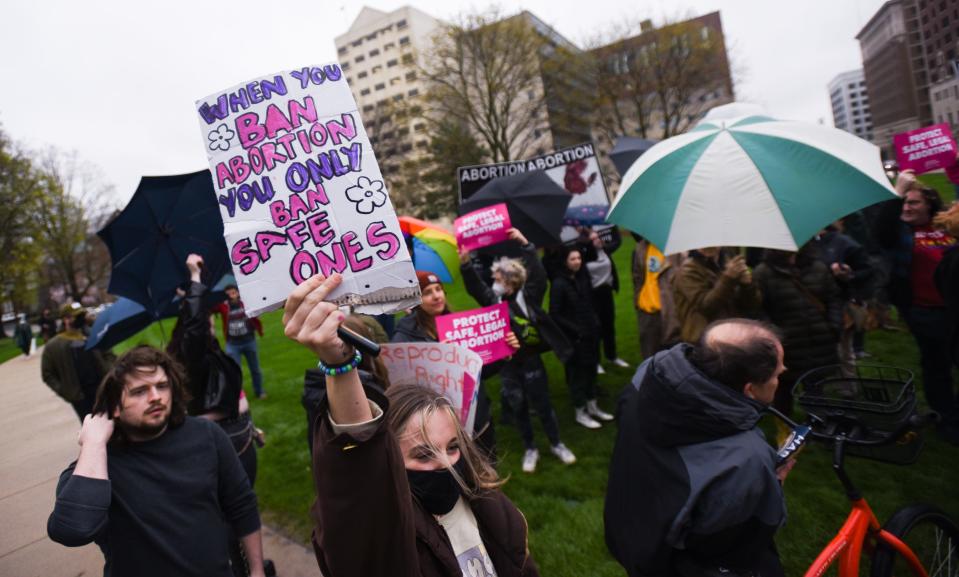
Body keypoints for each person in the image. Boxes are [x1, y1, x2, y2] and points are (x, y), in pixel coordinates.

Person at [285, 272, 540, 577]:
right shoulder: (389, 538)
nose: (446, 463)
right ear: (390, 460)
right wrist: (339, 366)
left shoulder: (491, 506)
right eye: (422, 454)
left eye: (454, 446)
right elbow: (359, 472)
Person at [47, 345, 265, 577]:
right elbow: (72, 530)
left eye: (162, 386)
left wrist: (257, 570)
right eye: (139, 391)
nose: (156, 397)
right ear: (114, 406)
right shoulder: (99, 464)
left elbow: (242, 505)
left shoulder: (207, 435)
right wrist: (93, 443)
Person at [605, 319, 791, 577]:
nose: (783, 373)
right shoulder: (747, 458)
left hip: (631, 532)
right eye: (777, 374)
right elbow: (735, 542)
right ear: (750, 389)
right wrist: (772, 483)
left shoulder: (648, 376)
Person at [460, 228, 578, 472]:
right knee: (518, 406)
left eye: (499, 280)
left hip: (532, 360)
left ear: (511, 282)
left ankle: (556, 443)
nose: (494, 284)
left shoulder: (530, 296)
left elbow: (539, 275)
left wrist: (526, 244)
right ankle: (530, 448)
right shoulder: (494, 301)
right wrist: (465, 264)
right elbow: (475, 287)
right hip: (509, 366)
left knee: (543, 404)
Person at [878, 169, 958, 443]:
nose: (908, 207)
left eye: (914, 202)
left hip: (954, 309)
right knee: (937, 366)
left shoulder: (947, 226)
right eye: (905, 203)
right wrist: (898, 191)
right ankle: (946, 418)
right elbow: (881, 230)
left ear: (930, 206)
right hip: (924, 311)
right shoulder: (901, 232)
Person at [392, 269, 506, 461]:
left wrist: (503, 352)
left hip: (478, 419)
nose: (436, 296)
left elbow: (480, 374)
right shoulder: (403, 339)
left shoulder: (460, 326)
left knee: (488, 469)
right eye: (428, 292)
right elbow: (405, 388)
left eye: (438, 289)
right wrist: (441, 360)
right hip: (441, 426)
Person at [753, 248, 841, 424]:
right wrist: (774, 337)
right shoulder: (763, 273)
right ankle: (786, 431)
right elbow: (757, 310)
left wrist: (833, 326)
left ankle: (818, 427)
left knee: (816, 387)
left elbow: (833, 298)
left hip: (818, 341)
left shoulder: (817, 267)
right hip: (786, 346)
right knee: (783, 390)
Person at [549, 244, 615, 429]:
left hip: (591, 336)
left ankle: (593, 407)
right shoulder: (559, 284)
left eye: (579, 258)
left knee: (592, 372)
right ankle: (580, 412)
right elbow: (555, 314)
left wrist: (594, 322)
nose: (577, 262)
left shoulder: (582, 278)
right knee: (578, 376)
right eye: (573, 259)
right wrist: (576, 330)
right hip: (575, 340)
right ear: (565, 261)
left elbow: (588, 302)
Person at [812, 221, 876, 370]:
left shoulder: (845, 243)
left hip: (841, 301)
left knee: (843, 346)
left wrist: (849, 274)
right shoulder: (806, 245)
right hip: (814, 302)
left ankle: (848, 385)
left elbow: (867, 270)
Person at [672, 247, 762, 344]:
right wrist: (728, 278)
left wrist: (747, 285)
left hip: (731, 335)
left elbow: (752, 306)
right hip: (703, 339)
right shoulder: (688, 270)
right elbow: (706, 306)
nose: (709, 246)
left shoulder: (728, 264)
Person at [41, 303, 113, 421]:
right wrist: (65, 391)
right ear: (65, 319)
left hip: (103, 390)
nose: (80, 319)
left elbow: (109, 355)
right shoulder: (53, 346)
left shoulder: (94, 335)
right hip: (80, 397)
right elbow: (47, 374)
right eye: (76, 316)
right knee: (92, 430)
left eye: (81, 315)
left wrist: (109, 373)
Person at [583, 226, 629, 372]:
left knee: (609, 326)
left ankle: (612, 356)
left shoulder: (606, 251)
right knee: (595, 328)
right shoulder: (583, 257)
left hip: (606, 293)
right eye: (594, 239)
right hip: (592, 295)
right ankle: (596, 362)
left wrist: (613, 227)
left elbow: (617, 240)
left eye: (598, 238)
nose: (598, 241)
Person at [631, 234, 683, 360]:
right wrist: (639, 300)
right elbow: (637, 276)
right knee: (650, 357)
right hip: (647, 312)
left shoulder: (679, 249)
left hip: (672, 311)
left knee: (672, 357)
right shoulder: (641, 247)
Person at [214, 284, 267, 399]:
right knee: (234, 371)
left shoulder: (245, 302)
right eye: (228, 294)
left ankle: (259, 391)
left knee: (255, 369)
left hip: (249, 341)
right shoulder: (224, 306)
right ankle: (238, 395)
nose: (231, 295)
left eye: (233, 292)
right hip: (233, 344)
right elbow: (208, 307)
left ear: (238, 292)